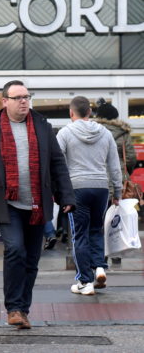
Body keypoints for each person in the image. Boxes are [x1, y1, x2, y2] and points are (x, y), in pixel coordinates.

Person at [0, 80, 75, 330]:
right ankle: (13, 307)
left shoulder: (43, 126)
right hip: (7, 204)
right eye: (18, 97)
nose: (24, 101)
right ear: (5, 101)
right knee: (15, 250)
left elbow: (58, 163)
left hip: (38, 204)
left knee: (31, 260)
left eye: (27, 96)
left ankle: (22, 310)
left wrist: (67, 196)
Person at [57, 96, 122, 295]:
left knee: (79, 235)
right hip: (101, 188)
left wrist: (58, 191)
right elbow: (114, 165)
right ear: (90, 113)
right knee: (96, 230)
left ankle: (85, 281)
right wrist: (117, 191)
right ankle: (100, 267)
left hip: (76, 188)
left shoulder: (65, 133)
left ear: (71, 113)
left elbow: (57, 163)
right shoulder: (105, 133)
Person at [95, 98, 137, 266]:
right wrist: (127, 173)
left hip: (98, 180)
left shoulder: (95, 130)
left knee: (99, 220)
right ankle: (116, 253)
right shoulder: (123, 132)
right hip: (118, 180)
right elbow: (131, 157)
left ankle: (101, 256)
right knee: (117, 218)